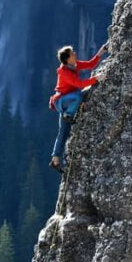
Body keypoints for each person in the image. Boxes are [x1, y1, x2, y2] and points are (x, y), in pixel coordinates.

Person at [47, 42, 107, 173]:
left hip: (68, 101)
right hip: (62, 101)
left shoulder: (74, 65)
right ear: (68, 58)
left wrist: (101, 52)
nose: (75, 53)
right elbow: (79, 83)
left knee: (63, 133)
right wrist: (96, 78)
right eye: (72, 53)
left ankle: (55, 159)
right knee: (79, 96)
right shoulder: (64, 72)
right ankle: (68, 115)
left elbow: (90, 64)